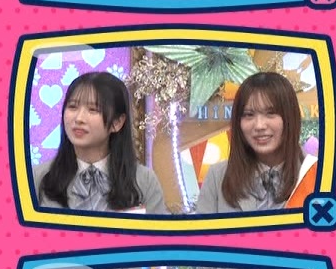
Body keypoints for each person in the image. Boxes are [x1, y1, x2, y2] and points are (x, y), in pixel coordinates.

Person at [32, 71, 168, 214]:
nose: (79, 118)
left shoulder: (144, 181)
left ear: (117, 122)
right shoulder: (38, 177)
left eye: (93, 110)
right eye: (72, 107)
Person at [195, 72, 317, 213]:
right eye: (249, 115)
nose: (259, 126)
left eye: (270, 113)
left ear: (290, 117)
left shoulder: (315, 173)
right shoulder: (217, 176)